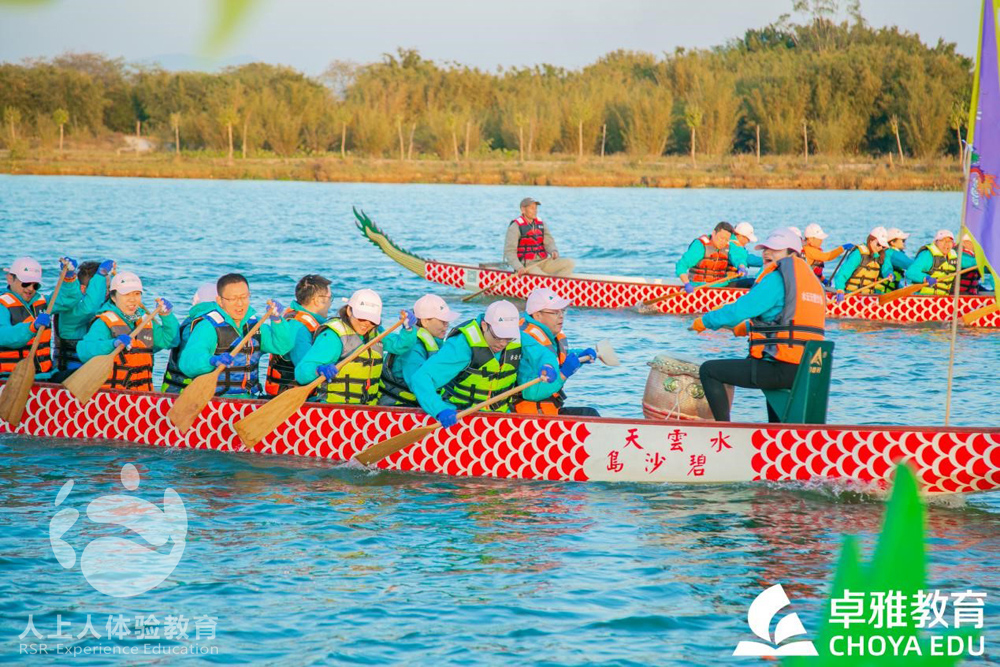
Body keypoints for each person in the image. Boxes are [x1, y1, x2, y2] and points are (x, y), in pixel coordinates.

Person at [691, 229, 826, 423]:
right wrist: (746, 328)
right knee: (774, 404)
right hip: (807, 368)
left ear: (792, 254)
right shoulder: (813, 283)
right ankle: (777, 433)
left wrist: (705, 321)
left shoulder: (777, 278)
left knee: (709, 371)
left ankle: (723, 430)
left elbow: (739, 310)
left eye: (775, 249)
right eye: (765, 249)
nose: (767, 253)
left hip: (781, 367)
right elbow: (786, 321)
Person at [410, 300, 553, 428]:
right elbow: (421, 378)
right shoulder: (462, 345)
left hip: (500, 418)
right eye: (498, 336)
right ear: (484, 326)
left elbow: (543, 355)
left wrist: (549, 366)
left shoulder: (517, 337)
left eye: (508, 338)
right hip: (459, 417)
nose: (503, 343)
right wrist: (439, 410)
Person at [177, 273, 291, 399]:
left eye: (244, 297)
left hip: (250, 398)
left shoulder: (256, 325)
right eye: (233, 299)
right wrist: (212, 360)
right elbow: (187, 364)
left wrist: (277, 321)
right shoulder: (207, 327)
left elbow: (282, 347)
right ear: (220, 301)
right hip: (214, 400)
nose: (240, 303)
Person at [296, 288, 413, 405]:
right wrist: (318, 370)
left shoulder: (376, 333)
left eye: (372, 320)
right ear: (349, 311)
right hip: (334, 408)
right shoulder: (332, 337)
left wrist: (408, 330)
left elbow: (399, 346)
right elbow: (301, 374)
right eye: (362, 318)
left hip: (368, 407)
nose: (366, 324)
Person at [77, 271, 179, 392]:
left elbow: (170, 341)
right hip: (111, 394)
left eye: (137, 294)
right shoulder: (104, 322)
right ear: (113, 297)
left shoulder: (145, 321)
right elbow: (84, 351)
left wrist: (167, 316)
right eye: (126, 294)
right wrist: (112, 344)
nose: (132, 299)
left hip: (143, 393)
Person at [512, 288, 598, 416]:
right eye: (555, 312)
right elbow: (531, 393)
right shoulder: (528, 342)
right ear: (537, 315)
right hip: (528, 417)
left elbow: (556, 356)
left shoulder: (548, 336)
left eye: (562, 311)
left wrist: (579, 355)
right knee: (590, 415)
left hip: (547, 411)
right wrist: (563, 374)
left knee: (590, 413)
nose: (561, 316)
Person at [1, 256, 80, 381]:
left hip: (45, 375)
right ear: (10, 279)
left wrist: (69, 278)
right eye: (25, 283)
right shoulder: (2, 305)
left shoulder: (44, 302)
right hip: (10, 378)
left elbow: (68, 300)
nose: (30, 288)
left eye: (35, 285)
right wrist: (32, 327)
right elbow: (4, 336)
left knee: (80, 374)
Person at [379, 293, 460, 407]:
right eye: (443, 321)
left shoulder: (435, 342)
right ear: (425, 322)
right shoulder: (414, 348)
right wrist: (440, 408)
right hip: (401, 405)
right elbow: (417, 385)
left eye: (447, 321)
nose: (447, 325)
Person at [263, 274, 333, 396]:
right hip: (289, 397)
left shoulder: (306, 321)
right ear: (317, 300)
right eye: (330, 298)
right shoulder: (298, 327)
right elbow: (304, 368)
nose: (330, 304)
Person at [51, 259, 116, 379]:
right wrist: (100, 276)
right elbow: (89, 308)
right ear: (83, 289)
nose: (107, 292)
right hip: (67, 376)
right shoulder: (70, 312)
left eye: (109, 288)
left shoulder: (103, 310)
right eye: (104, 288)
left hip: (91, 374)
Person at [161, 282, 221, 392]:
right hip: (188, 392)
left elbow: (171, 342)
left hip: (173, 388)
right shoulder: (216, 324)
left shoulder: (189, 322)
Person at [503, 197, 575, 276]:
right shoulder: (515, 226)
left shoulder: (541, 224)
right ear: (523, 210)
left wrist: (553, 251)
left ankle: (555, 282)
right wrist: (518, 267)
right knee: (542, 276)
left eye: (536, 208)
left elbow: (549, 242)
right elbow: (509, 251)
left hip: (543, 261)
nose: (535, 211)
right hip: (527, 265)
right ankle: (548, 281)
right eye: (532, 208)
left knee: (569, 263)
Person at [904, 230, 977, 296]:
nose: (946, 244)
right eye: (942, 241)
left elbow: (971, 262)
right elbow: (910, 272)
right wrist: (926, 278)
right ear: (935, 242)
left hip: (942, 298)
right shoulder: (927, 255)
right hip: (923, 297)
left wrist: (982, 264)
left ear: (953, 244)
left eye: (949, 241)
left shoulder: (954, 256)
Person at [676, 222, 743, 292]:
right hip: (700, 286)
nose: (723, 242)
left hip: (721, 285)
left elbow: (737, 258)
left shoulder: (728, 246)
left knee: (748, 282)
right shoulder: (700, 246)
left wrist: (741, 266)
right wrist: (687, 283)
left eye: (726, 240)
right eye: (721, 238)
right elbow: (681, 265)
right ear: (714, 233)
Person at [832, 226, 894, 298]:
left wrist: (890, 274)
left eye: (883, 246)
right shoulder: (858, 254)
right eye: (878, 244)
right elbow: (843, 273)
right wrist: (840, 289)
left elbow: (887, 268)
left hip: (869, 295)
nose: (880, 248)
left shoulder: (882, 255)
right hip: (851, 293)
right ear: (871, 241)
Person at [728, 222, 763, 287]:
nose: (748, 241)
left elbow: (747, 258)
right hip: (729, 281)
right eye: (747, 239)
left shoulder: (738, 246)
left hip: (735, 280)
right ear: (740, 236)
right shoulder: (732, 245)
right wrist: (741, 267)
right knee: (755, 282)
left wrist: (767, 261)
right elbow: (738, 258)